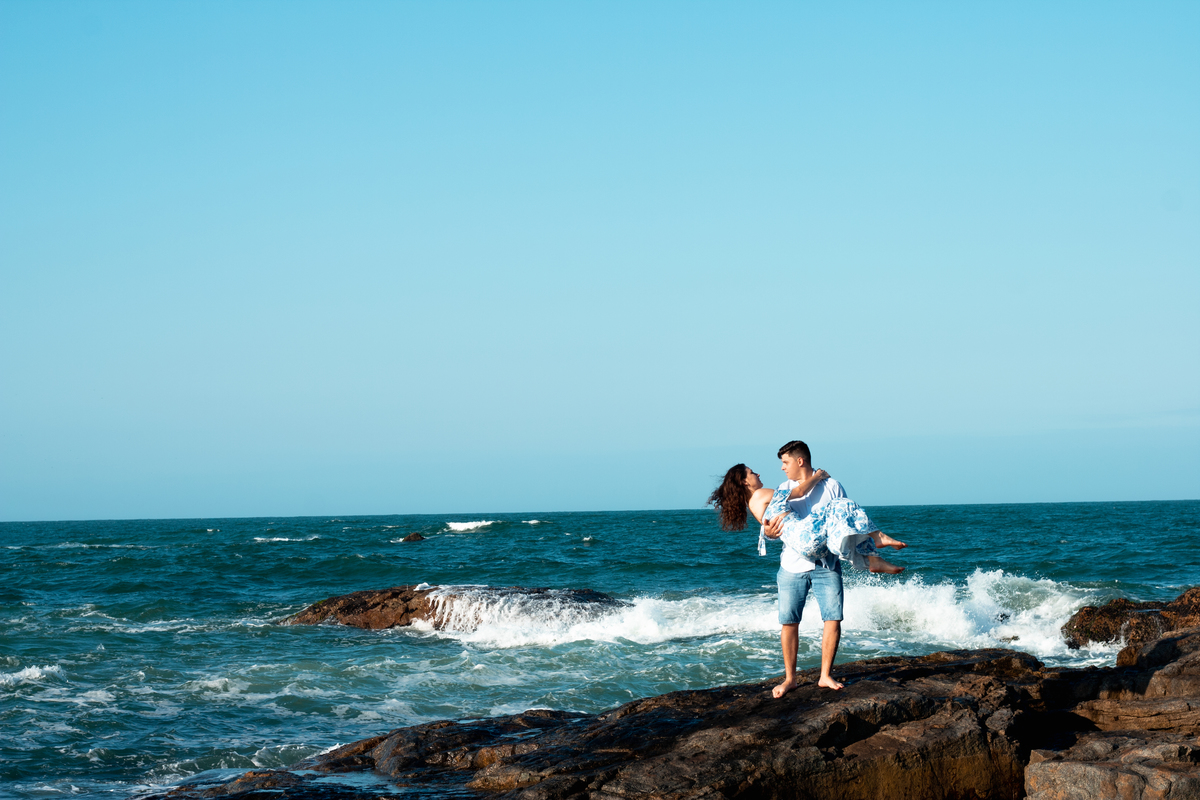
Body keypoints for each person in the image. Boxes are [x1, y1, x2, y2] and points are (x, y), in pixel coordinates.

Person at [707, 441, 906, 697]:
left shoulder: (830, 486)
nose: (774, 469)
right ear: (745, 481)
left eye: (785, 462)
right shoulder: (775, 491)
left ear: (799, 461)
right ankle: (875, 547)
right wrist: (818, 476)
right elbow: (792, 502)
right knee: (843, 507)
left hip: (823, 560)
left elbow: (833, 526)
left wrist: (767, 530)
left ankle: (824, 675)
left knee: (832, 618)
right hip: (796, 559)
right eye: (752, 472)